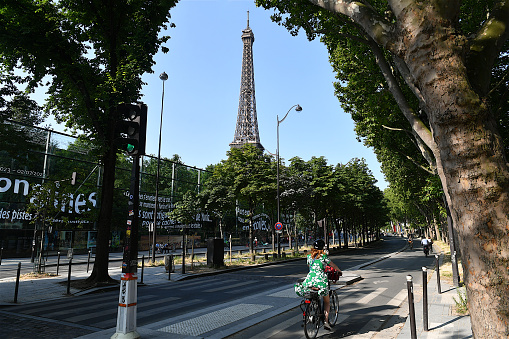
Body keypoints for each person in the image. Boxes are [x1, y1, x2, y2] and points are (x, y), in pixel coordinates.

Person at [295, 239, 342, 331]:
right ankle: (326, 321)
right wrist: (339, 271)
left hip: (309, 280)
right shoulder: (324, 256)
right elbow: (332, 265)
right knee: (327, 301)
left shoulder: (309, 257)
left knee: (312, 295)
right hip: (321, 281)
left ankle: (311, 310)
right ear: (322, 248)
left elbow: (310, 268)